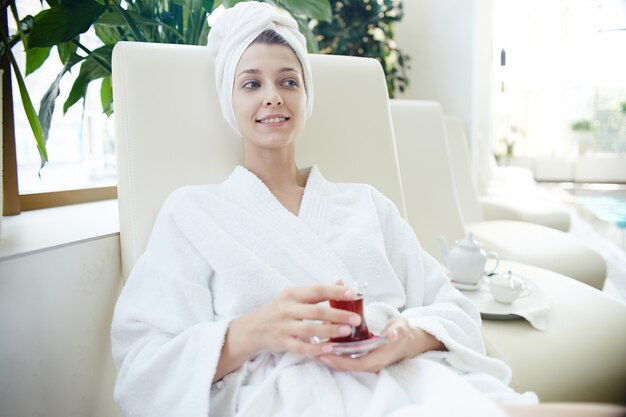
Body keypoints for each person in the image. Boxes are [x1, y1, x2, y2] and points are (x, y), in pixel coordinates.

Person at [110, 2, 547, 416]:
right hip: (286, 400)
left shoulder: (367, 204)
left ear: (306, 95)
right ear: (230, 100)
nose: (273, 97)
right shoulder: (193, 213)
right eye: (251, 83)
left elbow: (453, 308)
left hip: (409, 381)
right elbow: (141, 367)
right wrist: (252, 331)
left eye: (288, 81)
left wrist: (403, 339)